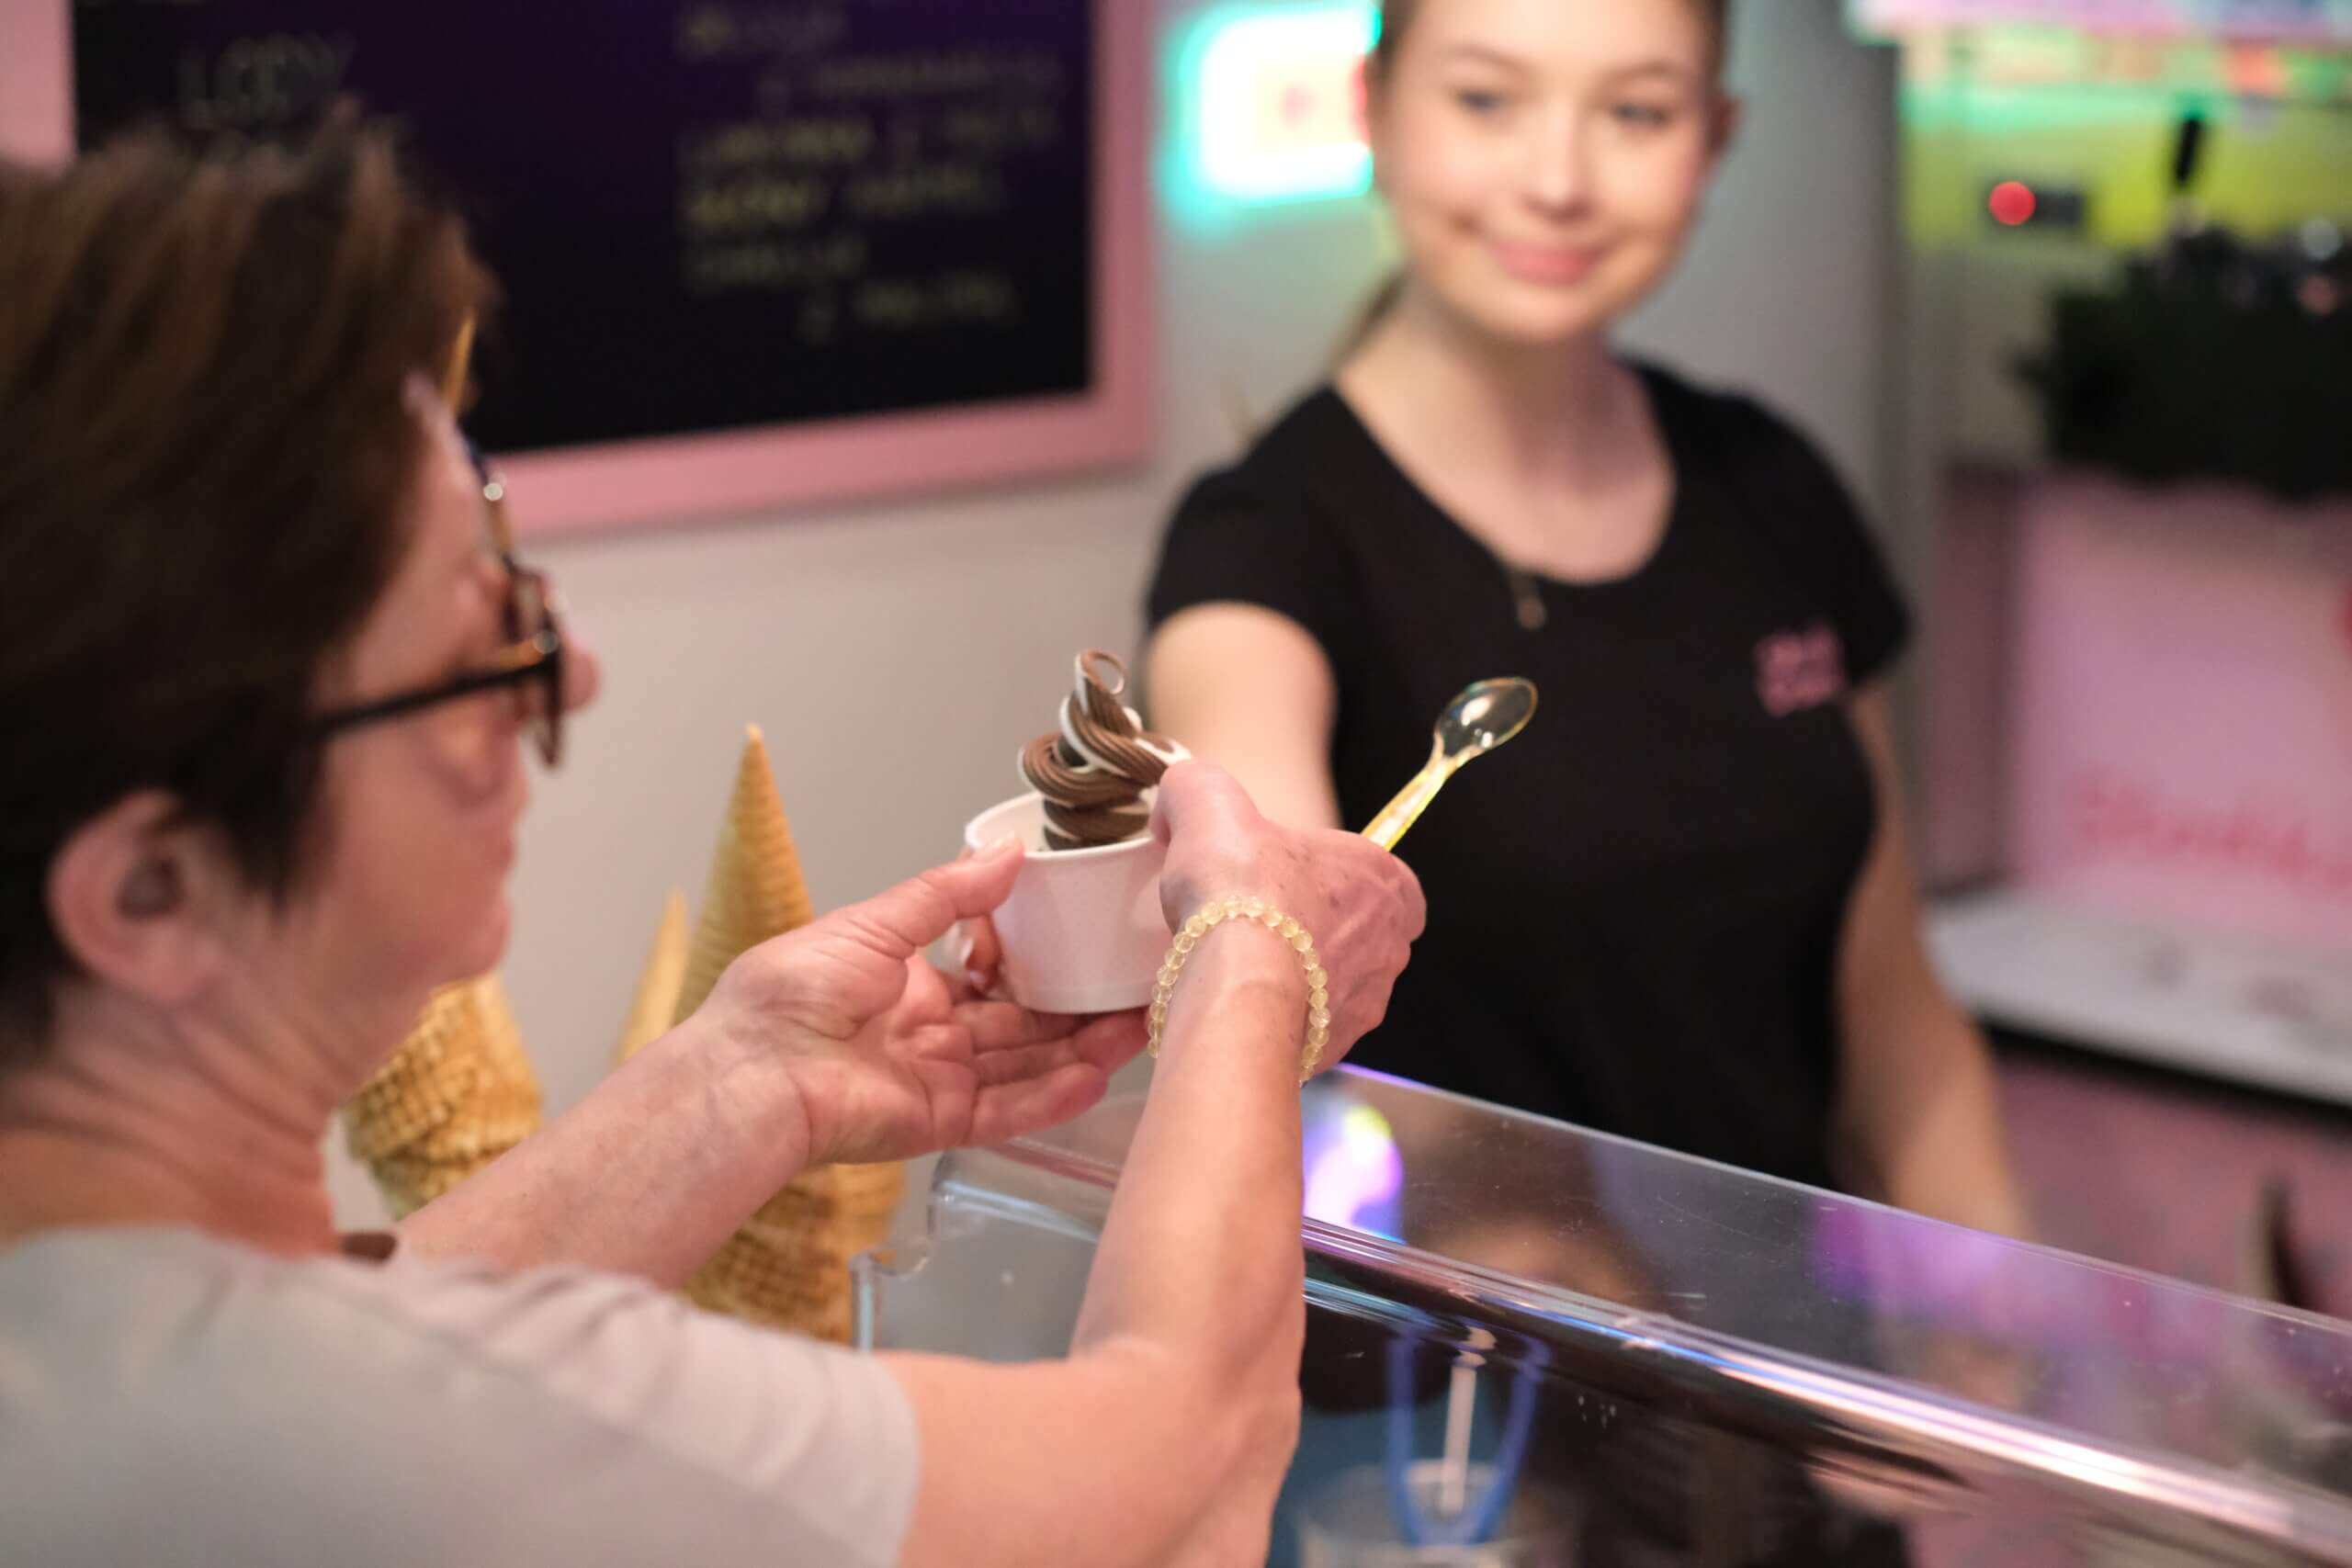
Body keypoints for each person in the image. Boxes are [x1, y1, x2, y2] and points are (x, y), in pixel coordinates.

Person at [0, 127, 1424, 1566]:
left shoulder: (115, 1360)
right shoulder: (400, 1440)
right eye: (484, 646)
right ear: (150, 891)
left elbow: (356, 1351)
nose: (573, 678)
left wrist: (742, 1082)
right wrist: (1252, 961)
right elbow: (1184, 1475)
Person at [1145, 0, 2026, 1236]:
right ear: (1373, 110)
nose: (1558, 181)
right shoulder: (1264, 548)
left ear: (1715, 137)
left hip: (1773, 1332)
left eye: (1636, 112)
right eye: (1486, 99)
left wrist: (1992, 1315)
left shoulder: (1771, 485)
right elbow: (1262, 1014)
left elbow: (1895, 1017)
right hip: (1456, 1337)